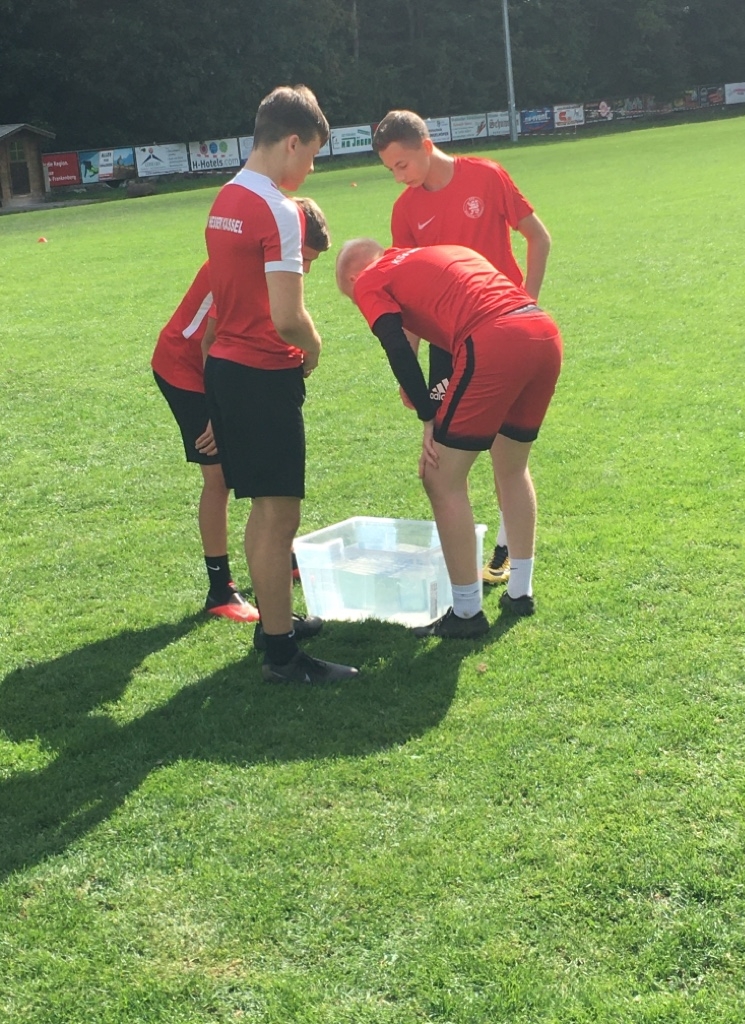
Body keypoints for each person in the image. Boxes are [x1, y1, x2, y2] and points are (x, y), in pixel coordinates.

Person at [204, 84, 359, 683]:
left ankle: (274, 623)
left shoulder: (225, 197)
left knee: (263, 511)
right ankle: (281, 654)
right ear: (292, 142)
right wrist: (313, 348)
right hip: (262, 374)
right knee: (280, 516)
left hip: (227, 369)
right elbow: (288, 316)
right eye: (313, 154)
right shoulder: (278, 209)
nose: (312, 168)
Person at [336, 239, 562, 638]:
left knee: (440, 478)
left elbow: (395, 344)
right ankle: (520, 591)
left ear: (354, 278)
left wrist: (428, 415)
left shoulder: (369, 279)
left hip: (495, 337)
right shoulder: (433, 254)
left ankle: (467, 612)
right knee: (512, 467)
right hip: (542, 331)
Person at [373, 109, 552, 591]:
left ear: (427, 146)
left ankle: (505, 557)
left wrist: (527, 301)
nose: (399, 177)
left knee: (504, 454)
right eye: (390, 169)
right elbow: (405, 297)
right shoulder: (405, 211)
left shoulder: (486, 177)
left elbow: (539, 237)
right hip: (448, 346)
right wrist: (409, 374)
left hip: (501, 336)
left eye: (402, 165)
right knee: (450, 455)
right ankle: (479, 559)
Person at [152, 197, 330, 623]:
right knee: (219, 478)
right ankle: (220, 589)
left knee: (255, 467)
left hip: (219, 369)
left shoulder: (270, 261)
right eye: (304, 258)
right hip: (185, 369)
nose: (305, 269)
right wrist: (220, 413)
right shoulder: (237, 265)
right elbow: (209, 342)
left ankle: (280, 556)